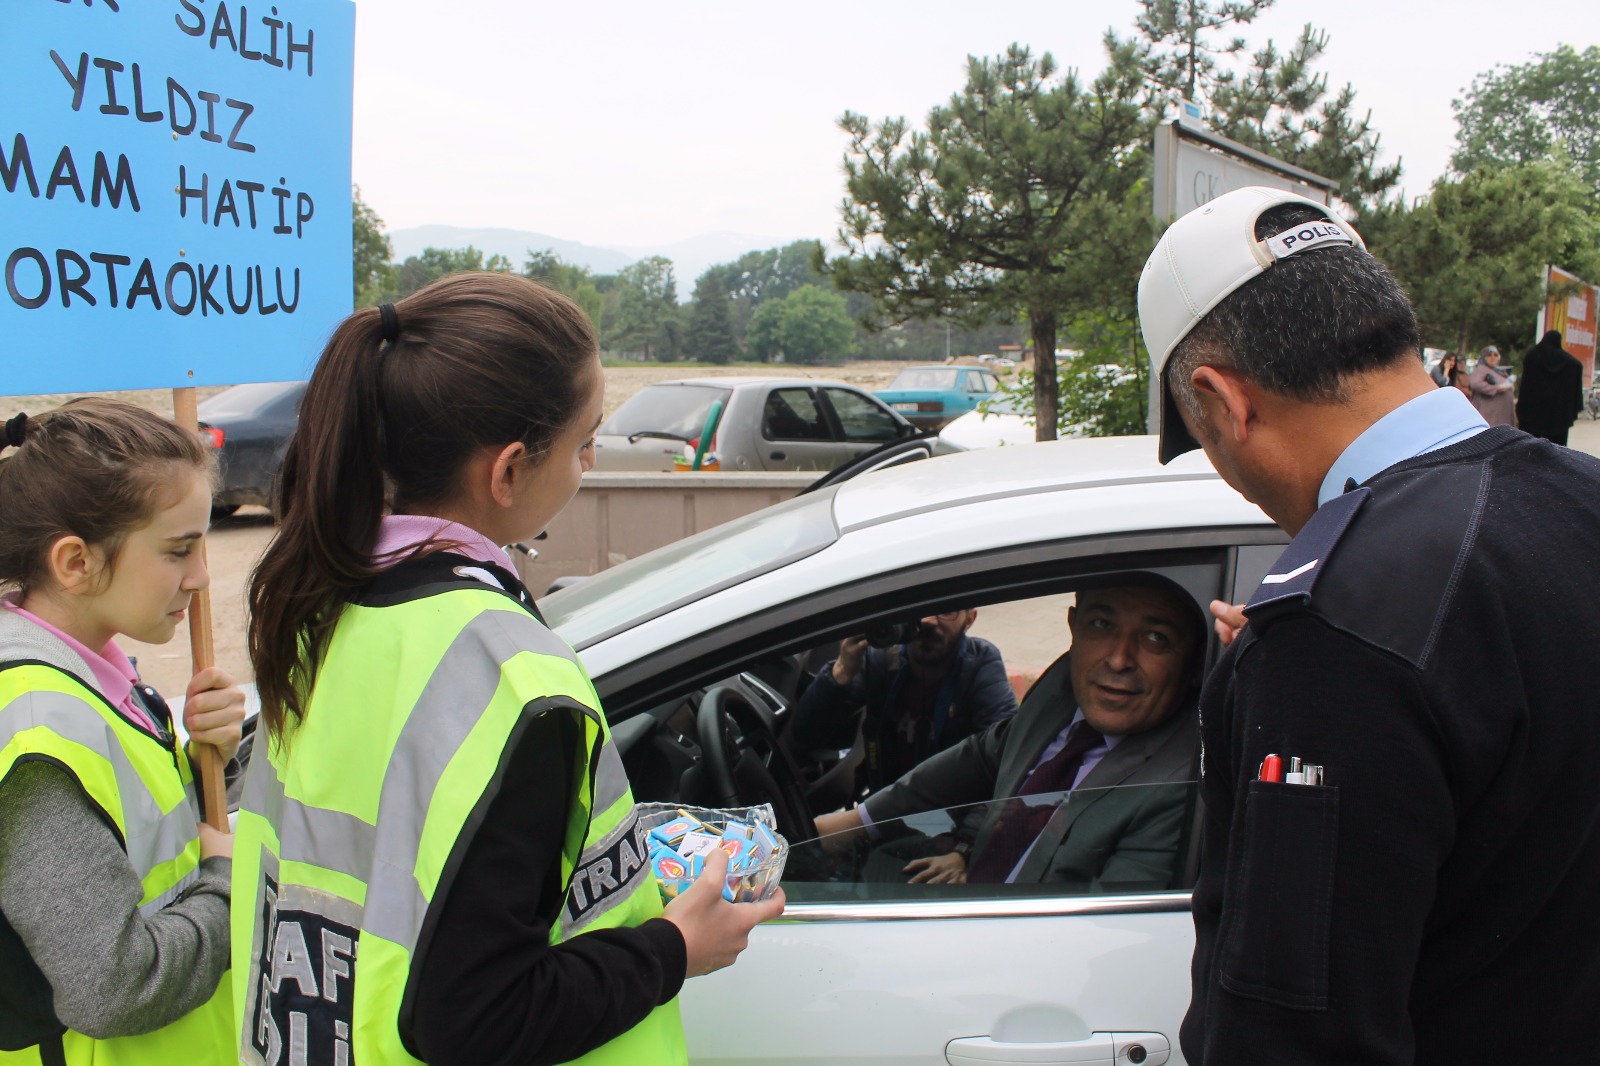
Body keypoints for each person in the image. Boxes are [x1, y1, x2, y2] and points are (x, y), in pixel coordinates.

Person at [236, 274, 783, 1066]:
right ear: (508, 471)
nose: (589, 462)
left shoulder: (316, 608)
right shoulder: (516, 684)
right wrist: (671, 950)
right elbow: (475, 1017)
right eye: (584, 440)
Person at [1140, 185, 1600, 1063]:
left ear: (1224, 402)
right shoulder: (1579, 499)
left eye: (1203, 439)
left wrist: (1298, 674)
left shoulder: (1333, 629)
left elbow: (1293, 1038)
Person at [0, 399, 246, 1065]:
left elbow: (146, 845)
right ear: (76, 562)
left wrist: (213, 766)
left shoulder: (96, 679)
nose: (201, 578)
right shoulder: (35, 729)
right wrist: (231, 880)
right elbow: (112, 987)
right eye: (178, 551)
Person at [813, 581, 1203, 889]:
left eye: (1156, 638)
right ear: (1074, 626)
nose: (1119, 660)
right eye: (1102, 625)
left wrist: (964, 851)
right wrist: (852, 824)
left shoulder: (1178, 783)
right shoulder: (1057, 697)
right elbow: (980, 758)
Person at [790, 609, 1017, 793]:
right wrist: (841, 673)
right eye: (919, 608)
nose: (927, 620)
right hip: (884, 811)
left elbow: (1007, 757)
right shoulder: (879, 659)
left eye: (946, 610)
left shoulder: (980, 663)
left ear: (969, 619)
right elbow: (806, 734)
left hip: (949, 813)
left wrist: (964, 842)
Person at [1516, 329, 1584, 445]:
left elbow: (1525, 387)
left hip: (1533, 415)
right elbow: (1577, 365)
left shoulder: (1532, 356)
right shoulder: (1568, 362)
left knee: (1532, 449)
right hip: (1558, 417)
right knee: (1556, 449)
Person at [1468, 344, 1516, 426]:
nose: (1493, 357)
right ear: (1484, 357)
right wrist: (1496, 389)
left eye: (1495, 355)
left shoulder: (1500, 371)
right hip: (1489, 415)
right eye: (1489, 355)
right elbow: (1475, 383)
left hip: (1502, 415)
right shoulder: (1481, 369)